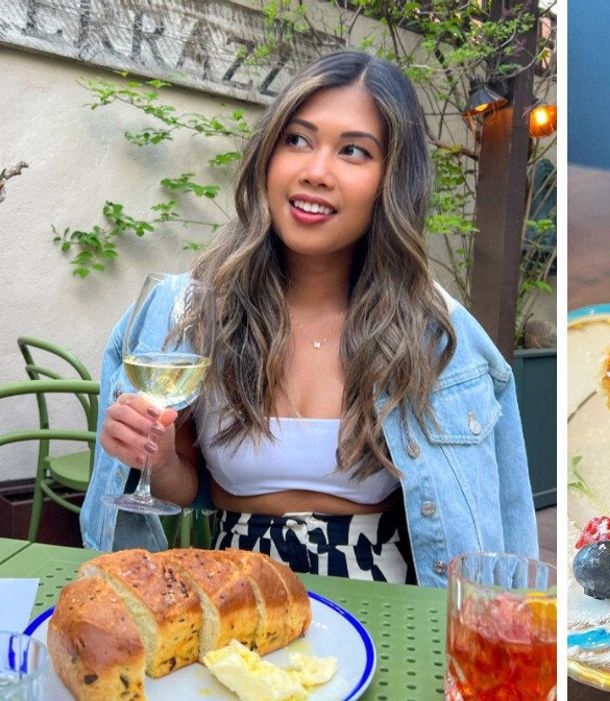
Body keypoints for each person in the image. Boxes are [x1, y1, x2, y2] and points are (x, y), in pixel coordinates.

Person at [80, 51, 539, 587]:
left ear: (392, 180)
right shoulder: (190, 312)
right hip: (237, 588)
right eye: (297, 139)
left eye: (353, 151)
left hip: (387, 601)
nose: (315, 172)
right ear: (268, 156)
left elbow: (503, 536)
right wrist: (155, 460)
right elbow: (181, 486)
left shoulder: (438, 336)